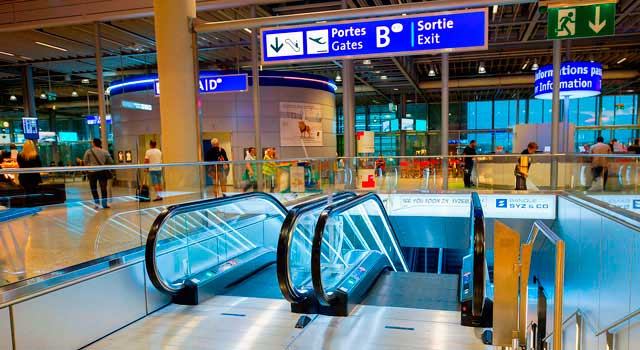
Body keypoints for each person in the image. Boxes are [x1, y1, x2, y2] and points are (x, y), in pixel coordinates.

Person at [83, 138, 114, 209]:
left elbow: (85, 162)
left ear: (93, 143)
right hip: (102, 172)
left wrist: (88, 168)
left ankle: (96, 204)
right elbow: (111, 162)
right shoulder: (105, 152)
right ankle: (104, 204)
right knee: (103, 188)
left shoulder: (88, 151)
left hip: (92, 172)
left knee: (93, 188)